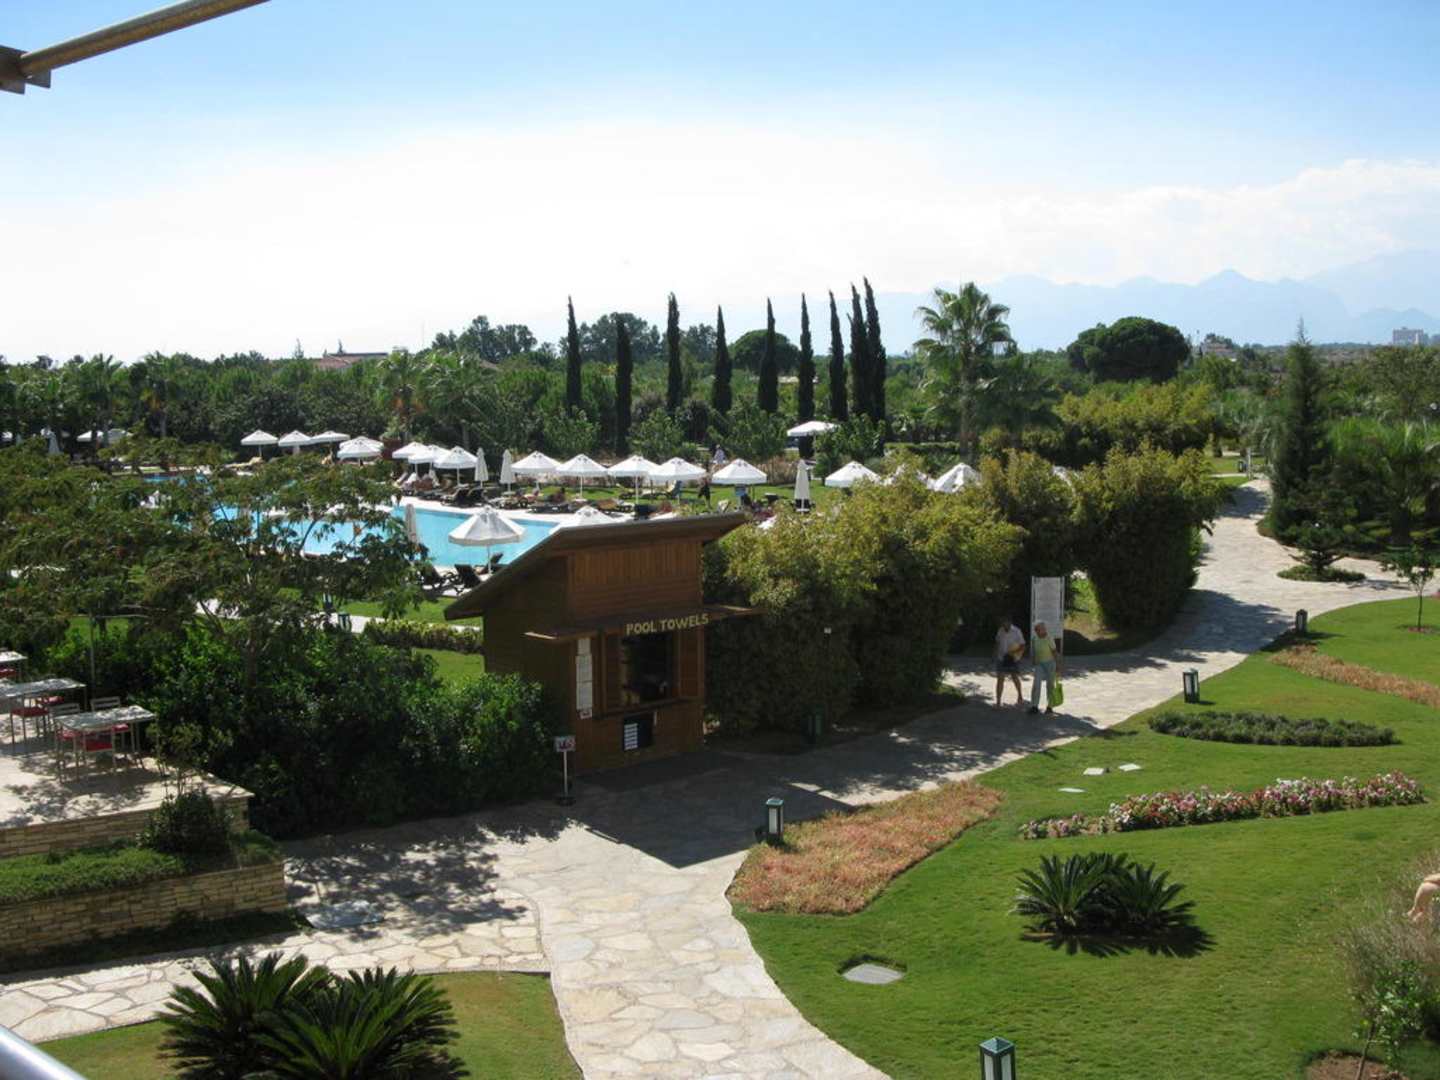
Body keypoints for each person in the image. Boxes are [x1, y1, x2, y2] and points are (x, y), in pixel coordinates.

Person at [1028, 620, 1061, 715]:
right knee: (1036, 684)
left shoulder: (1049, 638)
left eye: (1044, 628)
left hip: (1050, 663)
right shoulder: (1034, 639)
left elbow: (1054, 652)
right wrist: (1033, 662)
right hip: (1039, 664)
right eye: (1041, 629)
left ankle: (1050, 706)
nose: (1044, 630)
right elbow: (1034, 651)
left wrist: (1058, 666)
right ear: (1036, 630)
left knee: (1050, 685)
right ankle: (1034, 706)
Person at [993, 616, 1025, 707]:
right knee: (1000, 679)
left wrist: (1013, 653)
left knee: (1015, 677)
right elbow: (997, 642)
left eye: (1006, 622)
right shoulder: (1000, 630)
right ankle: (998, 702)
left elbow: (1023, 646)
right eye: (1003, 623)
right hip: (1001, 658)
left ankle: (1020, 695)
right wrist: (994, 654)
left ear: (1010, 622)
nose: (1004, 624)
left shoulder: (1017, 631)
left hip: (1013, 658)